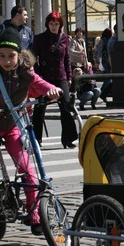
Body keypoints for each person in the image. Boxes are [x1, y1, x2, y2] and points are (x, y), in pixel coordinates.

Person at [0, 28, 63, 246]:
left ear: (19, 55)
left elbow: (40, 84)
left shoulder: (25, 71)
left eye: (11, 56)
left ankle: (35, 216)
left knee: (27, 170)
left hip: (12, 126)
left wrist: (53, 90)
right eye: (2, 56)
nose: (7, 61)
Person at [31, 11, 78, 148]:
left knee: (67, 106)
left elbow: (67, 59)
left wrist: (69, 77)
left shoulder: (64, 38)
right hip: (44, 78)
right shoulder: (39, 39)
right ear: (47, 24)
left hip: (60, 76)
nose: (53, 26)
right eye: (51, 24)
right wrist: (37, 76)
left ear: (60, 25)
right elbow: (33, 59)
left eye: (56, 24)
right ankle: (36, 139)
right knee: (40, 108)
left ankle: (68, 139)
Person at [94, 27, 113, 101]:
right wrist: (99, 61)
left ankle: (103, 92)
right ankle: (102, 91)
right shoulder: (103, 41)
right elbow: (99, 51)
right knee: (108, 78)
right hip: (104, 61)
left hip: (107, 61)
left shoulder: (108, 40)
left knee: (108, 78)